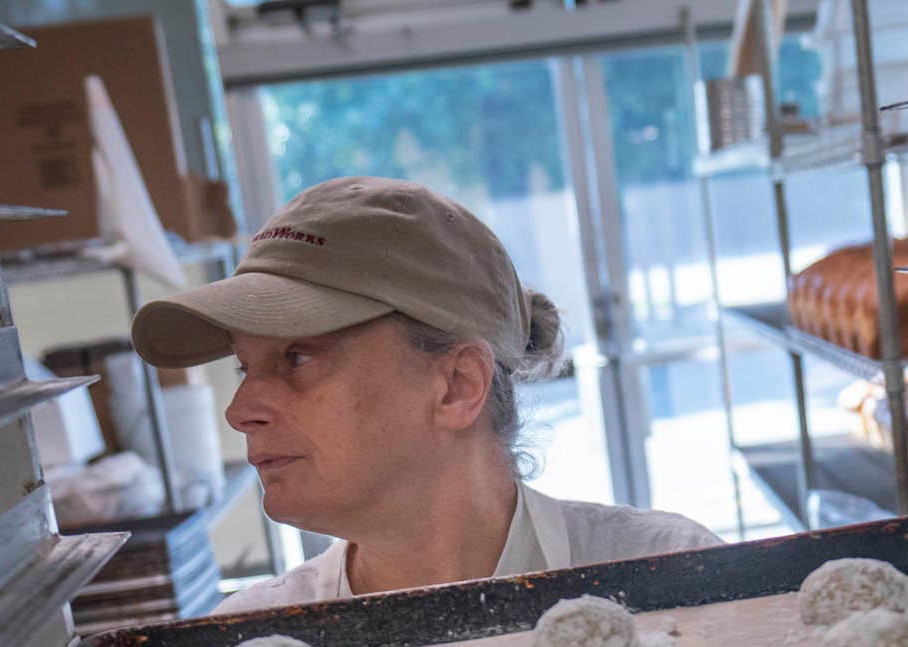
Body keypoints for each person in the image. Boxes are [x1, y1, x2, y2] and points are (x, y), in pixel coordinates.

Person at [131, 177, 719, 615]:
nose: (239, 412)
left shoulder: (673, 582)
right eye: (243, 367)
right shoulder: (250, 644)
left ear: (458, 385)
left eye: (298, 357)